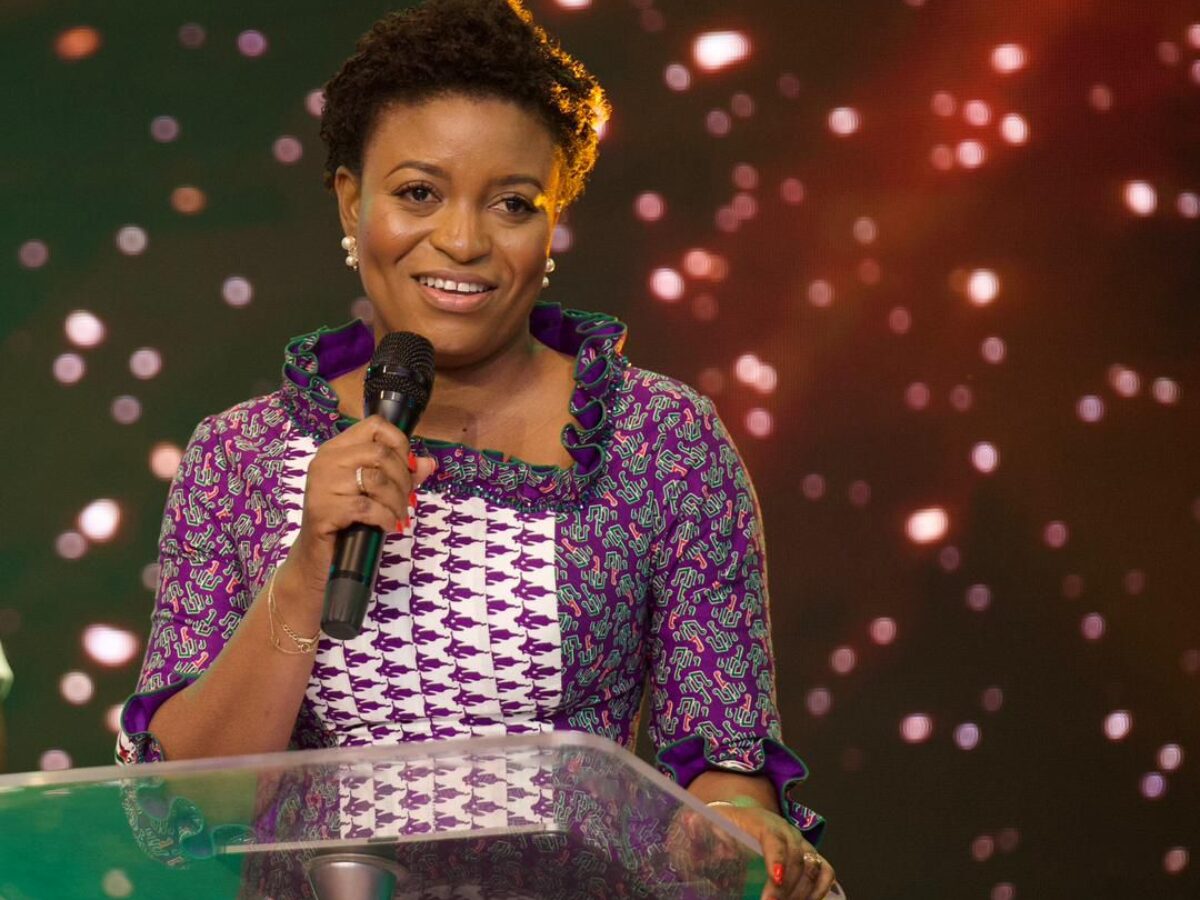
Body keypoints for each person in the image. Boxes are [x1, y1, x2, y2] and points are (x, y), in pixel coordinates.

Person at [118, 1, 836, 897]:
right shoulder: (240, 456)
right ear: (351, 201)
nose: (462, 241)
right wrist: (305, 571)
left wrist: (734, 832)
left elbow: (727, 775)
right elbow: (182, 812)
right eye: (419, 193)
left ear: (553, 221)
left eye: (513, 204)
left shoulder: (661, 439)